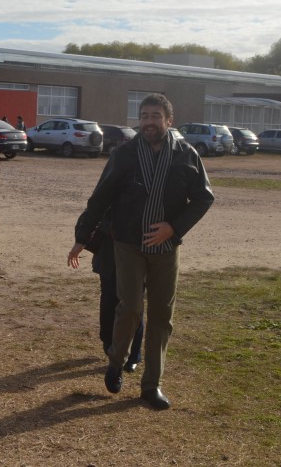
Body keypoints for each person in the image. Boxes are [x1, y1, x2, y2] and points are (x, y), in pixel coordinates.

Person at [67, 93, 213, 410]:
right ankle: (116, 361)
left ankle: (151, 386)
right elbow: (100, 198)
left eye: (155, 116)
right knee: (130, 307)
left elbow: (204, 198)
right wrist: (82, 236)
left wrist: (173, 228)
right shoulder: (125, 154)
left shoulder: (186, 155)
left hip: (166, 247)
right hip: (128, 243)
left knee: (162, 316)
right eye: (144, 116)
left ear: (169, 121)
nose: (148, 122)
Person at [90, 214, 144, 372]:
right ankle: (109, 344)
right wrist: (112, 228)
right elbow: (95, 213)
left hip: (138, 254)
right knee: (108, 301)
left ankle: (134, 355)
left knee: (134, 306)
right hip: (109, 255)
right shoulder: (110, 189)